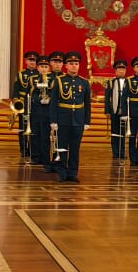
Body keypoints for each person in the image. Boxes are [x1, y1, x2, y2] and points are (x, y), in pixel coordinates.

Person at [49, 50, 90, 182]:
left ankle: (72, 173)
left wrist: (86, 121)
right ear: (66, 65)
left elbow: (87, 103)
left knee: (75, 147)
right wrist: (53, 120)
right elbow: (54, 102)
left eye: (76, 63)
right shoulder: (59, 81)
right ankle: (62, 172)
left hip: (78, 119)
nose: (74, 66)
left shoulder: (84, 83)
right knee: (62, 146)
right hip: (63, 118)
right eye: (71, 63)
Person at [11, 50, 39, 161]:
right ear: (26, 61)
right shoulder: (21, 74)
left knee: (34, 127)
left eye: (34, 60)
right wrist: (16, 102)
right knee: (22, 128)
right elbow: (16, 90)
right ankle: (23, 150)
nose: (32, 62)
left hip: (35, 104)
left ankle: (33, 149)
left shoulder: (40, 74)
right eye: (30, 60)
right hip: (23, 104)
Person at [104, 58, 129, 158]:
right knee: (114, 133)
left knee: (122, 133)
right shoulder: (111, 82)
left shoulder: (129, 82)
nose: (121, 71)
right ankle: (115, 153)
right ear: (115, 70)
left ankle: (122, 152)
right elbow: (107, 98)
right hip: (114, 111)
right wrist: (107, 111)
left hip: (124, 112)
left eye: (123, 69)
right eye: (119, 69)